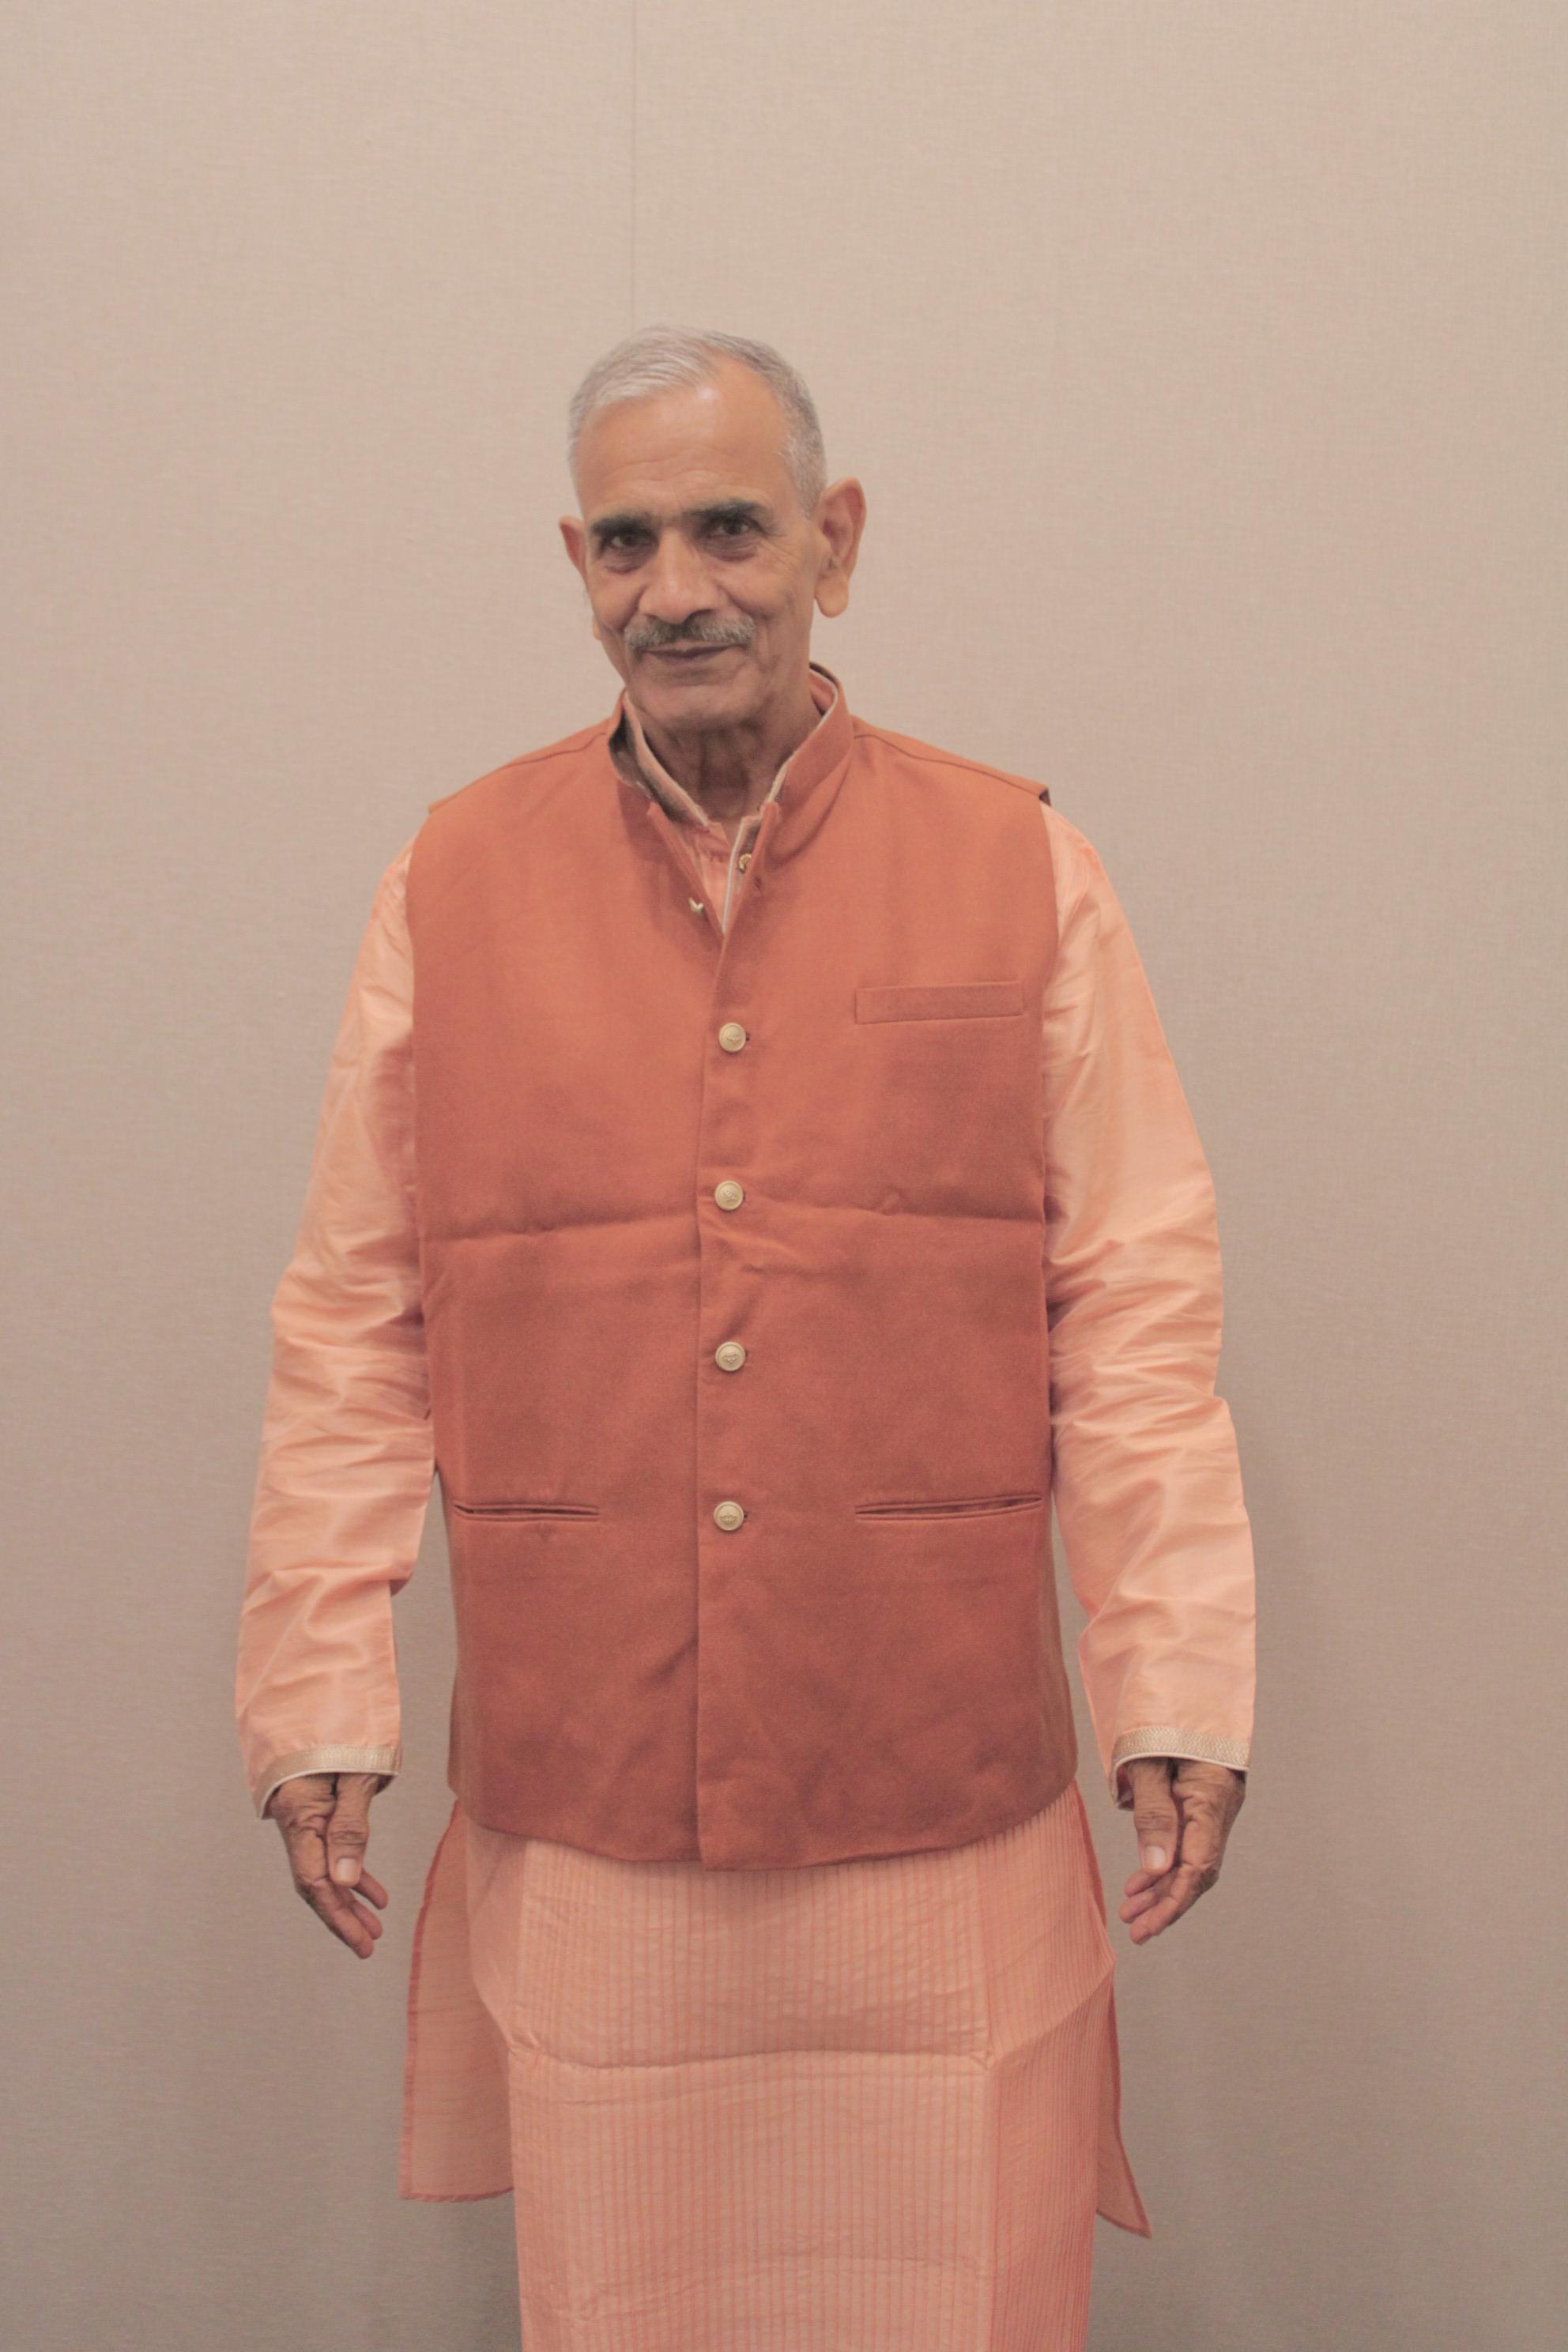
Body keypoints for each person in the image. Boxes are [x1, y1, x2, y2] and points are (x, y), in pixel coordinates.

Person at [236, 324, 1253, 2351]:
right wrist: (316, 1693)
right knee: (630, 2298)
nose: (675, 589)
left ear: (832, 543)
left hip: (933, 1795)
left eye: (728, 528)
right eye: (625, 542)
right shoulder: (450, 884)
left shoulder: (1018, 867)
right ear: (575, 564)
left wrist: (1176, 1682)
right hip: (595, 1800)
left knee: (952, 2287)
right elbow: (355, 1315)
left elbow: (1133, 1304)